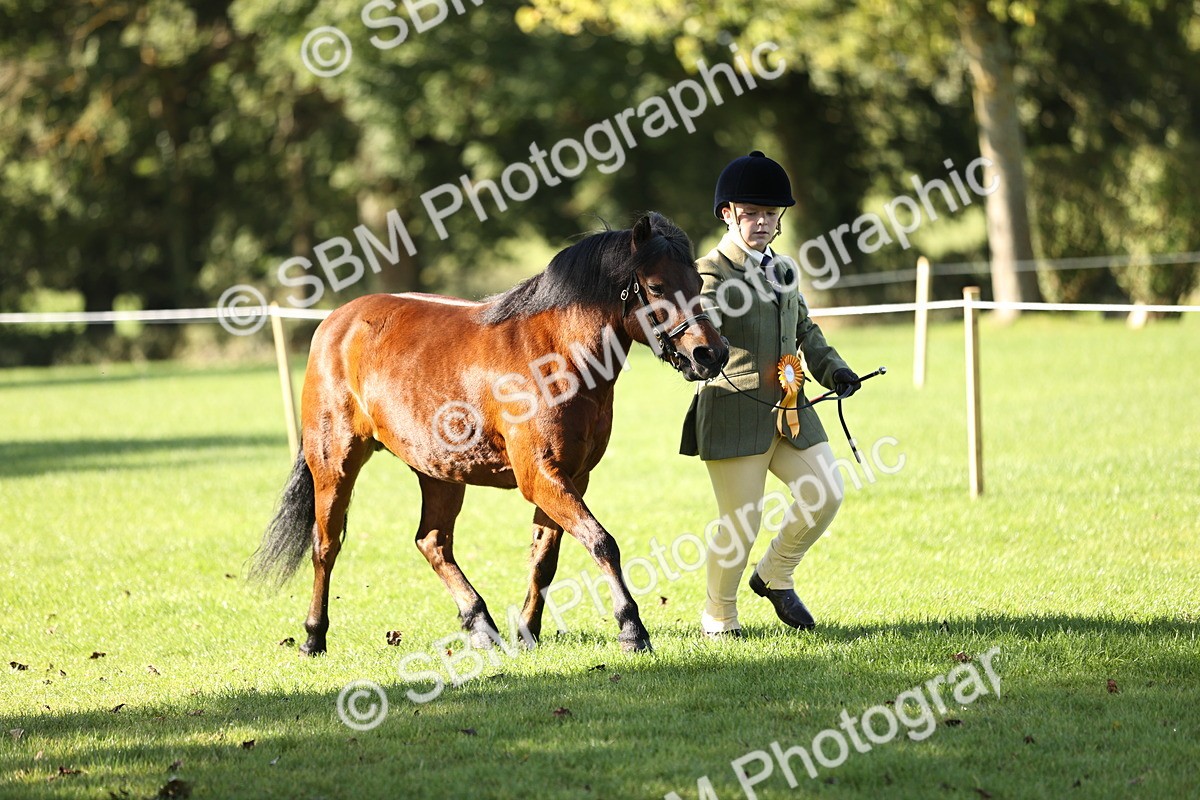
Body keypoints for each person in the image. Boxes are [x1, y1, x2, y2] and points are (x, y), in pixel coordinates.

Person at [680, 151, 861, 637]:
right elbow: (697, 337)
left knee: (826, 492)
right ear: (727, 214)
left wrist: (834, 370)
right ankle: (719, 615)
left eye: (770, 214)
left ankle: (775, 574)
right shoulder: (709, 273)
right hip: (734, 411)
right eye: (751, 214)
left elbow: (803, 326)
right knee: (740, 523)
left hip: (791, 408)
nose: (762, 223)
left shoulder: (783, 268)